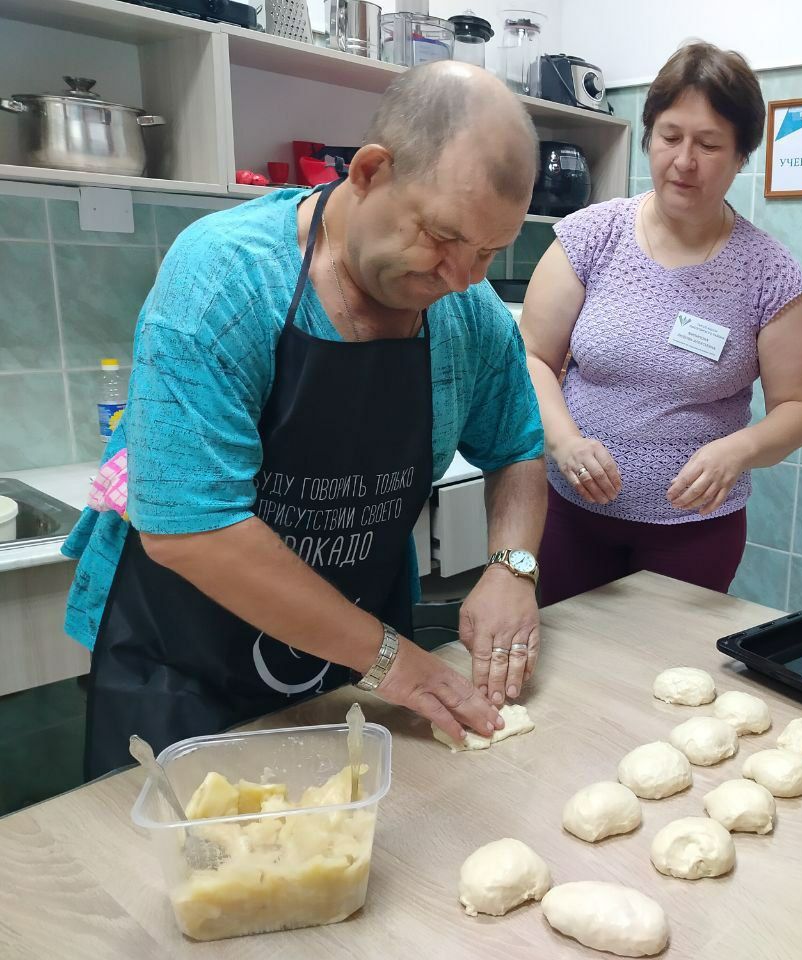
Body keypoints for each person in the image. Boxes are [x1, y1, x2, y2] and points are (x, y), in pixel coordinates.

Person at [63, 62, 548, 778]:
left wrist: (514, 567)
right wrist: (393, 662)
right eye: (445, 238)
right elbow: (190, 530)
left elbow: (518, 448)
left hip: (354, 653)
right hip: (185, 662)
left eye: (488, 251)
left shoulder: (467, 316)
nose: (464, 277)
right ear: (373, 172)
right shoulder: (226, 278)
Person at [522, 41, 802, 606]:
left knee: (666, 683)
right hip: (571, 515)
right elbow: (533, 356)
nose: (684, 160)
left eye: (709, 145)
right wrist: (564, 441)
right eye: (670, 136)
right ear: (648, 137)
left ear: (740, 156)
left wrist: (737, 451)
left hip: (695, 530)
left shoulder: (769, 273)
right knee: (567, 676)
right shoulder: (591, 236)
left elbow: (801, 408)